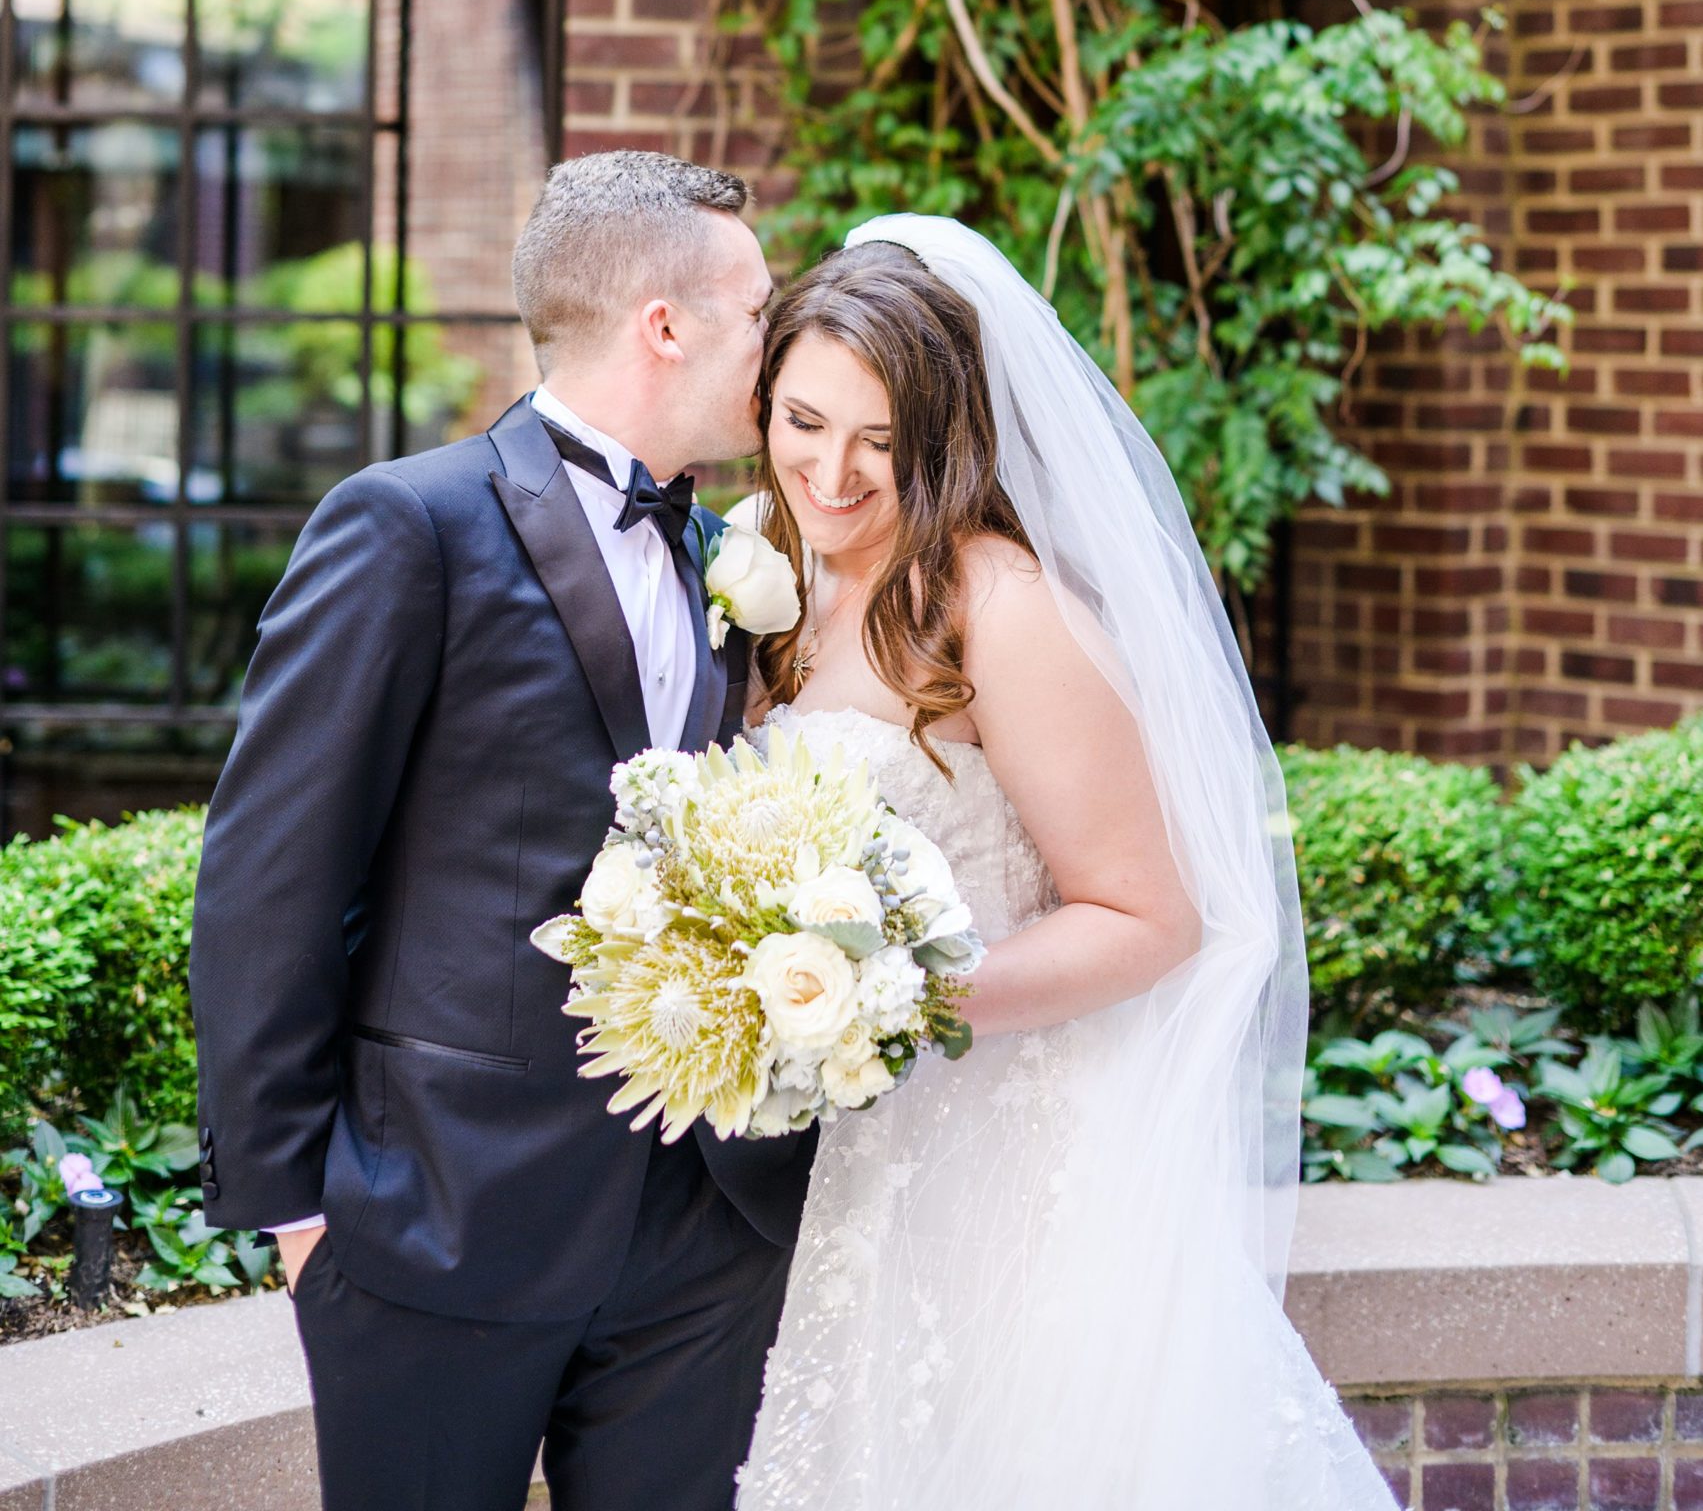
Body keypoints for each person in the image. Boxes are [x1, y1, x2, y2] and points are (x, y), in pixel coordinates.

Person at [735, 219, 1396, 1511]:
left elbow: (1151, 915)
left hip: (1003, 1164)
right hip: (826, 1165)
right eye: (805, 423)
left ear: (947, 441)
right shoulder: (762, 571)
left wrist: (903, 1000)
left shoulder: (998, 605)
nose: (834, 473)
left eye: (883, 442)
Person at [190, 150, 815, 1511]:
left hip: (701, 1229)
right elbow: (269, 878)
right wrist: (301, 1214)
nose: (778, 340)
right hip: (437, 1221)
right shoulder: (406, 527)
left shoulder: (737, 562)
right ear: (668, 325)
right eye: (758, 310)